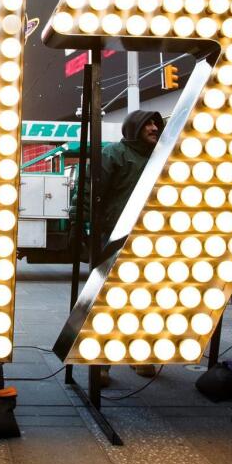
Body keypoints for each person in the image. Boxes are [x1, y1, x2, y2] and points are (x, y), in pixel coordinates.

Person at [75, 110, 164, 386]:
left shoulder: (160, 157)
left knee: (146, 299)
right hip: (115, 237)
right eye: (148, 123)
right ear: (134, 128)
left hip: (150, 237)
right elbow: (89, 192)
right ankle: (102, 362)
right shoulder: (114, 154)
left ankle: (140, 354)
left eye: (156, 124)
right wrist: (86, 227)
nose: (153, 128)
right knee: (110, 300)